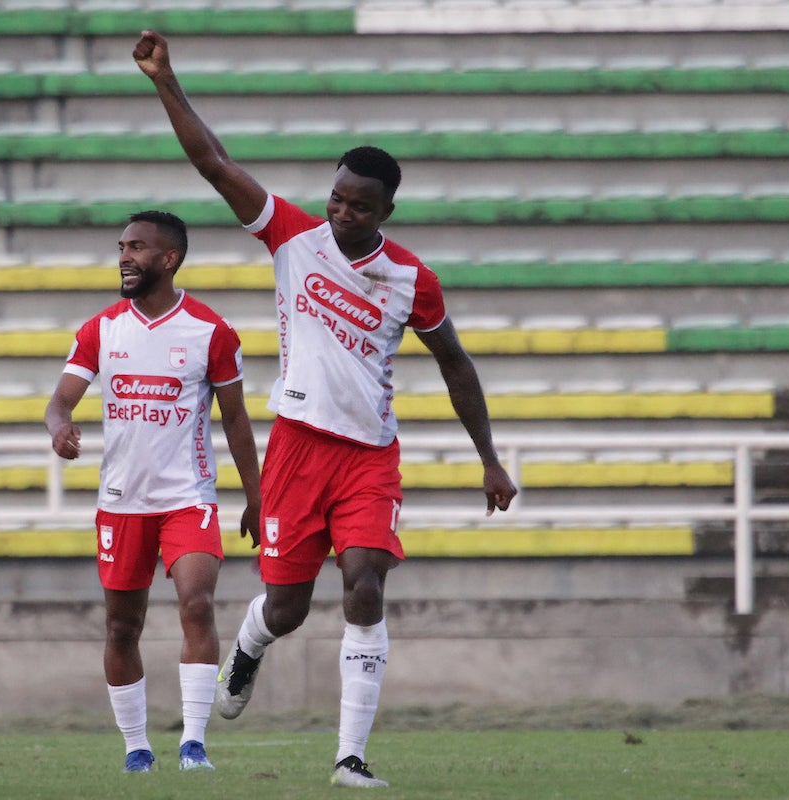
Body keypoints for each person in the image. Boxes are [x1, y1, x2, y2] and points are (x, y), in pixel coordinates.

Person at [133, 31, 520, 789]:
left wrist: (490, 456)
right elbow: (213, 163)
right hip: (298, 449)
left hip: (370, 455)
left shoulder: (413, 280)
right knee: (287, 607)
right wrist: (164, 79)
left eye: (358, 205)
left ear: (386, 211)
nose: (341, 212)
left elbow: (456, 365)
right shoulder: (293, 237)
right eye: (337, 196)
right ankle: (249, 645)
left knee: (367, 583)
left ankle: (350, 758)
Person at [44, 209, 262, 774]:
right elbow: (59, 400)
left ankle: (193, 744)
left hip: (188, 495)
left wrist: (257, 498)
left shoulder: (212, 332)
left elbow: (236, 420)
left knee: (197, 601)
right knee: (122, 625)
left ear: (169, 258)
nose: (124, 255)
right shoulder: (101, 330)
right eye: (121, 246)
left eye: (137, 247)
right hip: (121, 501)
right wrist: (59, 426)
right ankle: (137, 749)